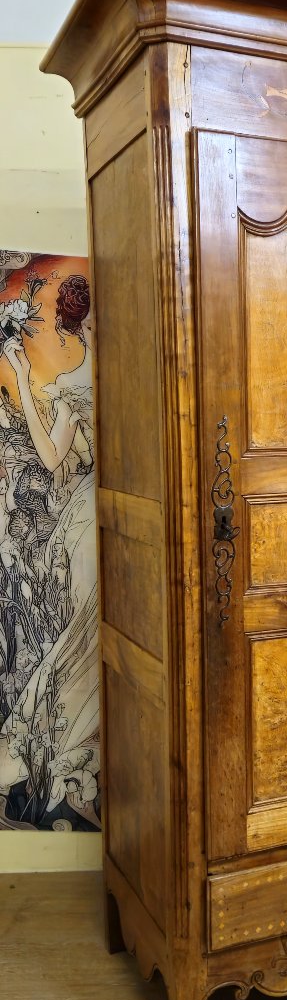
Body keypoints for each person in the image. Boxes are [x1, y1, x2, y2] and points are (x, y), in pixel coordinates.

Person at [0, 275, 99, 829]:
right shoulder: (84, 380)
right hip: (91, 521)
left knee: (84, 643)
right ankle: (65, 769)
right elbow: (55, 458)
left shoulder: (77, 384)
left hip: (90, 519)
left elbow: (52, 457)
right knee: (85, 642)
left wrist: (19, 376)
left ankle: (66, 766)